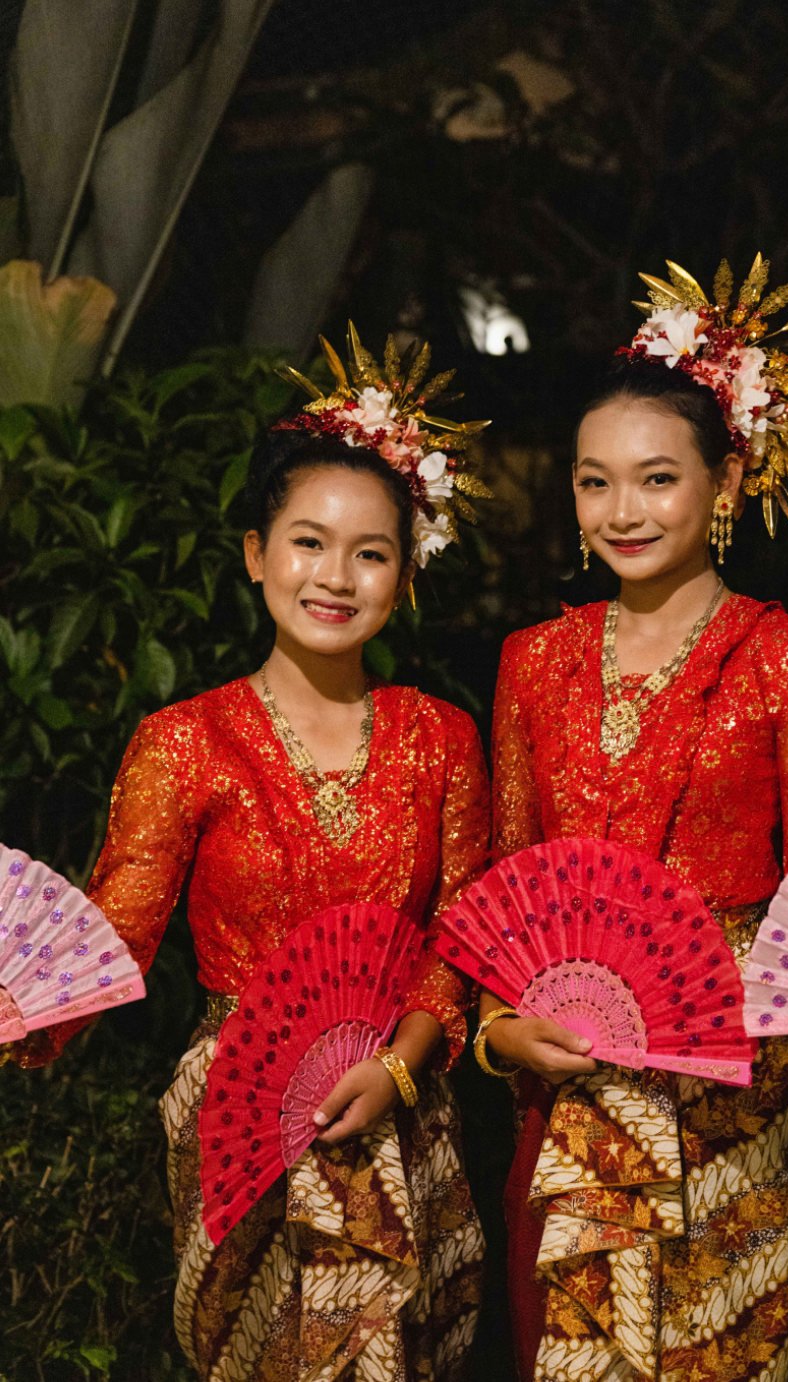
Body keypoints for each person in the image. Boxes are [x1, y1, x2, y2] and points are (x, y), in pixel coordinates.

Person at [8, 331, 492, 1381]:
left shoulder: (440, 737)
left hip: (398, 1104)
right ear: (254, 553)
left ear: (404, 575)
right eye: (308, 541)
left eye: (370, 551)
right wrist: (23, 1009)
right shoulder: (185, 740)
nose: (335, 575)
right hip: (239, 1107)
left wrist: (400, 1069)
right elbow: (115, 929)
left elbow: (457, 941)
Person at [477, 256, 788, 1381]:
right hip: (571, 1068)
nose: (620, 510)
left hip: (728, 1091)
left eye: (654, 478)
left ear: (726, 484)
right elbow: (504, 892)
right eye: (593, 482)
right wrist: (500, 1034)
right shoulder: (531, 663)